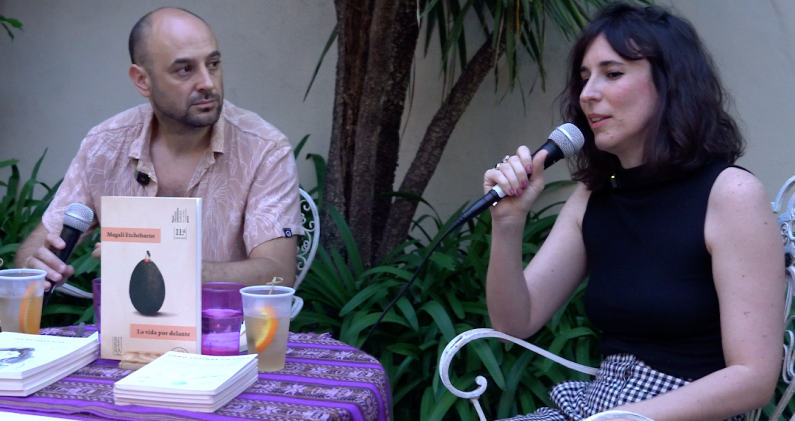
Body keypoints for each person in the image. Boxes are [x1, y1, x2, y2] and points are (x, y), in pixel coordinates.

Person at [484, 3, 783, 421]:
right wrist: (508, 223)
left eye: (613, 73)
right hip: (595, 407)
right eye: (584, 78)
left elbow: (753, 378)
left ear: (670, 83)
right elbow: (514, 323)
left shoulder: (730, 195)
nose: (588, 94)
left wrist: (626, 418)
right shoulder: (594, 196)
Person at [15, 7, 303, 288]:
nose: (207, 82)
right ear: (143, 80)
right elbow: (38, 246)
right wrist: (34, 263)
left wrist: (175, 265)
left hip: (226, 332)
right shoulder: (104, 145)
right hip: (128, 330)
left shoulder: (264, 149)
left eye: (213, 64)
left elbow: (277, 274)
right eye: (185, 69)